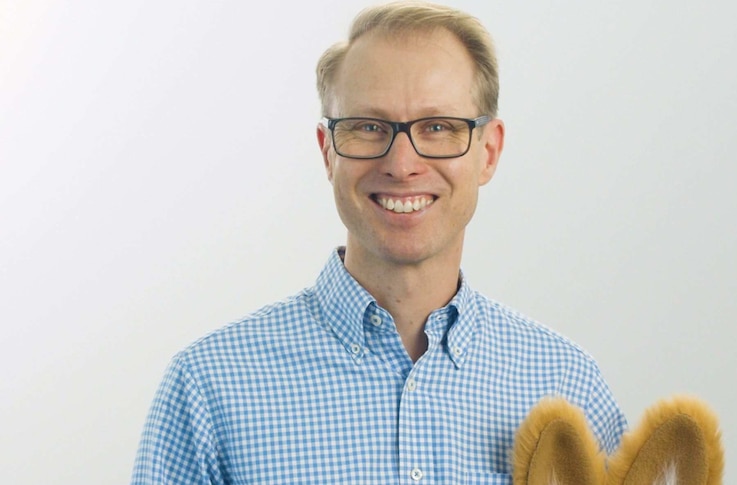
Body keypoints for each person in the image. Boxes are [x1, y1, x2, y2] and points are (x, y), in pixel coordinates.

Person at [132, 2, 627, 483]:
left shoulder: (566, 386)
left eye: (438, 127)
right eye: (369, 127)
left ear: (489, 152)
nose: (402, 163)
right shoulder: (209, 388)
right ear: (328, 153)